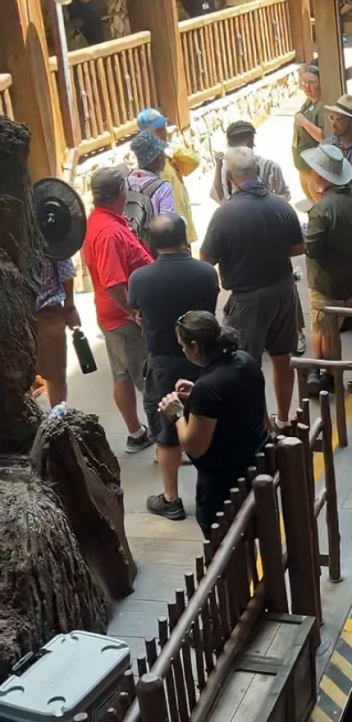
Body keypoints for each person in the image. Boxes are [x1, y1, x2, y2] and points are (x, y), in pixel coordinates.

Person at [200, 145, 305, 425]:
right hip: (284, 289)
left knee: (246, 364)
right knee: (284, 356)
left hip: (248, 298)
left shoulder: (225, 215)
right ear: (256, 171)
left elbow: (206, 258)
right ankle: (283, 417)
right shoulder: (280, 206)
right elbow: (298, 247)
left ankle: (261, 424)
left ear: (231, 177)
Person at [127, 215, 219, 521]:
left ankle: (171, 499)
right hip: (205, 357)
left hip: (164, 363)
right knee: (210, 421)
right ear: (185, 238)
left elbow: (136, 311)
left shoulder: (140, 278)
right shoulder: (206, 273)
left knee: (167, 432)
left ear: (151, 244)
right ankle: (219, 490)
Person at [158, 311, 269, 537]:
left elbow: (194, 446)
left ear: (196, 346)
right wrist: (197, 393)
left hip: (225, 481)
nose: (182, 350)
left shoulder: (209, 387)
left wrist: (178, 414)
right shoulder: (244, 360)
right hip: (256, 461)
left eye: (183, 345)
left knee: (228, 546)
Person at [82, 164, 152, 449]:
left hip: (112, 317)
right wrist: (134, 314)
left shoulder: (98, 221)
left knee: (122, 375)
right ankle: (165, 440)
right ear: (121, 191)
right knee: (149, 381)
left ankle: (137, 433)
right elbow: (114, 285)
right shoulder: (108, 233)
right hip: (124, 320)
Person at [301, 141, 352, 389]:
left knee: (325, 327)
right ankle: (319, 369)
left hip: (325, 279)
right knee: (325, 324)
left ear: (321, 175)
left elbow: (312, 248)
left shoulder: (321, 210)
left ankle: (331, 377)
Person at [135, 107, 198, 243]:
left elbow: (194, 162)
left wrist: (175, 150)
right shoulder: (151, 164)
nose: (164, 131)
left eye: (163, 126)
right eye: (158, 129)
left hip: (182, 227)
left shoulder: (169, 157)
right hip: (169, 234)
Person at [297, 92, 352, 182]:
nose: (333, 124)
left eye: (338, 120)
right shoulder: (327, 145)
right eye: (331, 117)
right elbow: (317, 180)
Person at [35, 256, 80, 408]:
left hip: (49, 314)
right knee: (17, 378)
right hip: (15, 315)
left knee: (55, 375)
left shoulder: (51, 238)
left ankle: (58, 419)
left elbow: (66, 272)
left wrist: (70, 307)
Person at [211, 118, 290, 203]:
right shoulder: (271, 167)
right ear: (251, 142)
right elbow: (284, 196)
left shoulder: (270, 167)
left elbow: (219, 196)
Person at [127, 131, 176, 226]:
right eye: (162, 153)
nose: (165, 156)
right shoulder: (163, 188)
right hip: (154, 239)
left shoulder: (126, 181)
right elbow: (167, 226)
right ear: (157, 158)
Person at [292, 62, 325, 201]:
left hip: (314, 169)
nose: (307, 86)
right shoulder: (309, 101)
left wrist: (305, 123)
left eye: (313, 83)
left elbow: (324, 137)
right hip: (303, 165)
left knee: (321, 206)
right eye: (305, 82)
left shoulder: (322, 106)